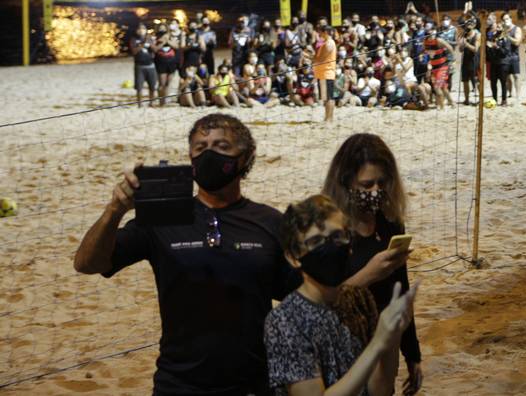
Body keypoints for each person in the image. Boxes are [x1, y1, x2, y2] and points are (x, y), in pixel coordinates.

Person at [74, 114, 301, 395]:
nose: (208, 154)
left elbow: (299, 294)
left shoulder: (269, 221)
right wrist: (114, 211)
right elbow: (87, 264)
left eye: (221, 146)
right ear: (190, 158)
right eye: (200, 148)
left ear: (245, 157)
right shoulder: (163, 216)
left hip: (253, 383)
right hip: (178, 383)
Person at [265, 194, 417, 396]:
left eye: (338, 237)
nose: (330, 247)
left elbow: (380, 390)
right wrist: (378, 343)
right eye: (316, 241)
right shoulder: (285, 321)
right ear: (293, 257)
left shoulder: (359, 299)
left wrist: (392, 338)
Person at [323, 134, 423, 395]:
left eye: (382, 183)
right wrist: (369, 274)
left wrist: (412, 354)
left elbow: (401, 291)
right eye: (366, 185)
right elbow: (316, 304)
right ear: (345, 182)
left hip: (384, 352)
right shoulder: (327, 230)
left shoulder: (389, 223)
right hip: (341, 346)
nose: (375, 192)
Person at [423, 30, 454, 109]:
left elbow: (450, 48)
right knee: (443, 87)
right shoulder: (425, 42)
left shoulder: (438, 40)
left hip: (442, 66)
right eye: (429, 34)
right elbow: (426, 52)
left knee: (437, 87)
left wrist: (452, 61)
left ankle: (442, 107)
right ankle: (452, 103)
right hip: (433, 67)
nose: (431, 35)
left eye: (432, 34)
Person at [155, 22, 182, 106]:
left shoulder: (170, 36)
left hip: (171, 62)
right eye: (160, 28)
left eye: (164, 28)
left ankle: (165, 100)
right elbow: (155, 49)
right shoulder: (155, 37)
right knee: (161, 84)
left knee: (168, 83)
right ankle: (161, 101)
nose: (162, 30)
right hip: (160, 62)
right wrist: (162, 42)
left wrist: (168, 40)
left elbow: (177, 46)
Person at [130, 23, 158, 106]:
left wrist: (150, 42)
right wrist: (142, 44)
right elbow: (134, 51)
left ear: (146, 30)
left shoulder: (149, 38)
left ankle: (151, 102)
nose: (141, 30)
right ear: (136, 30)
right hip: (139, 66)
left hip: (151, 66)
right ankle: (139, 103)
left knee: (152, 86)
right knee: (139, 87)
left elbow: (155, 50)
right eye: (139, 29)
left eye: (143, 29)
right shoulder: (134, 39)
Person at [314, 26, 337, 122]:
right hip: (323, 73)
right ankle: (327, 117)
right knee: (326, 98)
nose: (319, 34)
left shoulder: (329, 43)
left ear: (325, 32)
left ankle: (329, 118)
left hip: (327, 73)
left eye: (320, 32)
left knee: (329, 98)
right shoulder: (326, 43)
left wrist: (310, 56)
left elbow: (320, 59)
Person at [458, 15, 481, 105]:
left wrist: (466, 43)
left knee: (477, 81)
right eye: (467, 23)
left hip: (474, 60)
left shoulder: (477, 35)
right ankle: (466, 99)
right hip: (466, 60)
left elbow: (475, 49)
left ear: (474, 25)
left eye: (471, 23)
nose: (469, 25)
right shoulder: (464, 34)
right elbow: (460, 50)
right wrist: (461, 44)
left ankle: (480, 98)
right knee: (465, 81)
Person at [501, 12, 524, 100]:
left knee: (516, 76)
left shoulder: (516, 29)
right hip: (505, 56)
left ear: (511, 19)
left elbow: (517, 42)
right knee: (507, 76)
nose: (505, 21)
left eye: (507, 19)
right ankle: (510, 93)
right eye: (504, 20)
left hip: (514, 56)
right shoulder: (502, 30)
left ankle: (518, 95)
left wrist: (508, 36)